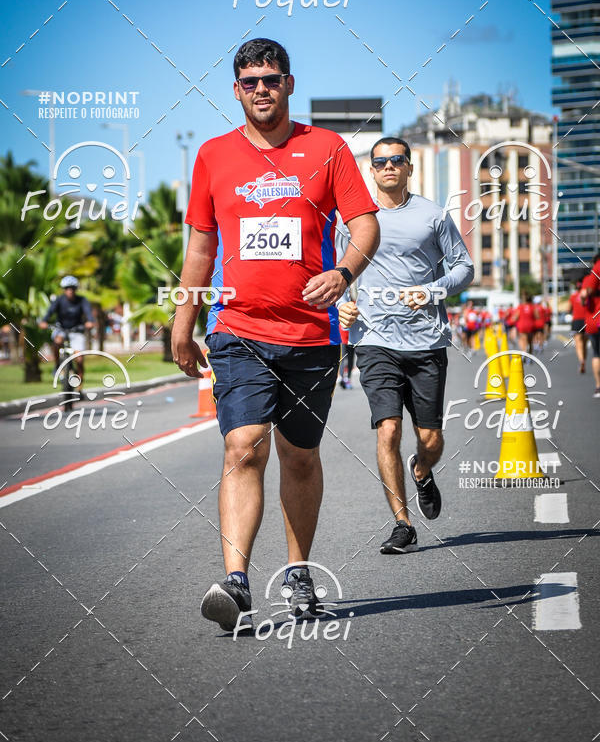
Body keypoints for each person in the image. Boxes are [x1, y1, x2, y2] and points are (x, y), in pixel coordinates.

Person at [171, 38, 380, 630]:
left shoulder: (327, 148)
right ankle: (236, 584)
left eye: (272, 79)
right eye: (250, 81)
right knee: (244, 447)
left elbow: (365, 226)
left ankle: (298, 571)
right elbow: (201, 246)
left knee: (300, 455)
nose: (261, 89)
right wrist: (185, 324)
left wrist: (343, 272)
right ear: (236, 90)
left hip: (311, 335)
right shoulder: (213, 156)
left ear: (289, 84)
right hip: (237, 329)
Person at [338, 137, 474, 554]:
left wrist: (433, 290)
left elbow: (464, 267)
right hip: (374, 339)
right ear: (372, 170)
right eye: (380, 162)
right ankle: (402, 524)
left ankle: (422, 470)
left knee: (430, 438)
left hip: (426, 340)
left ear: (409, 167)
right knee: (388, 430)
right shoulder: (354, 219)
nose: (388, 167)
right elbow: (338, 270)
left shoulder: (433, 216)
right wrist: (342, 305)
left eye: (397, 160)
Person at [40, 276, 94, 385]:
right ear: (64, 290)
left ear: (76, 289)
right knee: (57, 341)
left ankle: (80, 385)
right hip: (61, 329)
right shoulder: (59, 300)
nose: (70, 290)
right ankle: (57, 365)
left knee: (79, 359)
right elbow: (50, 312)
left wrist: (90, 321)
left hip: (77, 330)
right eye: (67, 288)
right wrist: (44, 321)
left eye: (72, 288)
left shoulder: (82, 300)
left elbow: (88, 313)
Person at [581, 253, 600, 397]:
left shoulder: (590, 277)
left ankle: (598, 386)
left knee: (596, 354)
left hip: (594, 321)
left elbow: (583, 295)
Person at [569, 279, 588, 374]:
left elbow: (569, 309)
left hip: (577, 321)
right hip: (587, 320)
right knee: (584, 343)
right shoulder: (587, 296)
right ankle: (584, 359)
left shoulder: (573, 296)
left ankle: (581, 360)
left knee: (578, 343)